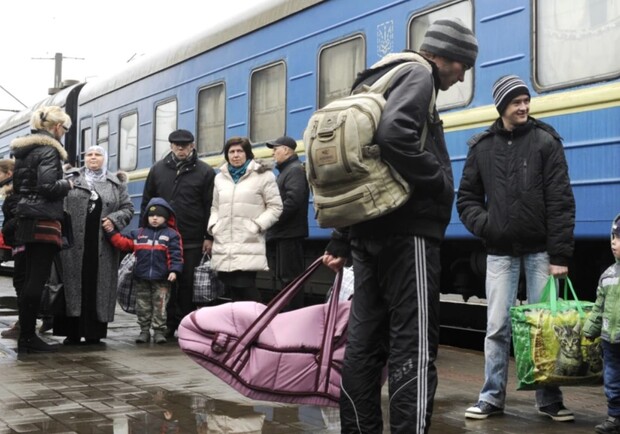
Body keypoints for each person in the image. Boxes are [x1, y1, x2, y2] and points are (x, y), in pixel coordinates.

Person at [322, 18, 478, 433]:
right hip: (408, 233)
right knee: (415, 342)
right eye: (463, 64)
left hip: (366, 229)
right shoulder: (419, 74)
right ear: (442, 55)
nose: (462, 74)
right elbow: (394, 135)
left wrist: (341, 236)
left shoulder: (375, 78)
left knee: (364, 345)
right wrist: (439, 182)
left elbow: (360, 166)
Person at [457, 75, 576, 421]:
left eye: (526, 100)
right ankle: (491, 398)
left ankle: (549, 399)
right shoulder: (482, 147)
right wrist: (488, 225)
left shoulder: (545, 142)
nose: (523, 106)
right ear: (502, 107)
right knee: (497, 327)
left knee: (544, 328)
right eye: (515, 102)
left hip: (541, 252)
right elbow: (466, 200)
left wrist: (560, 256)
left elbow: (560, 200)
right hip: (499, 252)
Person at [53, 145, 134, 345]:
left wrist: (115, 219)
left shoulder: (115, 183)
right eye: (89, 155)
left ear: (105, 158)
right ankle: (71, 333)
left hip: (102, 246)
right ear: (84, 159)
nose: (93, 158)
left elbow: (128, 208)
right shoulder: (71, 178)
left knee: (96, 286)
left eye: (98, 155)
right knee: (72, 285)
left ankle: (93, 333)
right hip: (72, 244)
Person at [10, 106, 74, 353]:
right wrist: (68, 183)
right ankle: (27, 337)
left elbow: (21, 186)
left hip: (25, 217)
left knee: (27, 279)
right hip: (44, 219)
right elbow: (48, 187)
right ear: (57, 127)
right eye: (65, 129)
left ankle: (26, 335)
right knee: (37, 279)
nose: (64, 134)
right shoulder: (49, 150)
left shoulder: (24, 151)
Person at [140, 129, 215, 338]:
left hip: (192, 237)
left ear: (192, 146)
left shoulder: (205, 172)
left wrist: (209, 236)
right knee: (165, 283)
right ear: (171, 146)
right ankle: (168, 323)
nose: (180, 148)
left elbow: (210, 206)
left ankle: (188, 324)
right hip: (162, 238)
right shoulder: (157, 170)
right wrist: (142, 234)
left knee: (188, 284)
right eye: (176, 145)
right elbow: (147, 203)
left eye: (185, 145)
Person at [208, 136, 282, 302]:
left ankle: (258, 323)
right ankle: (241, 326)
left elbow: (276, 207)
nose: (235, 155)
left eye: (240, 151)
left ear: (248, 153)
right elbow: (215, 207)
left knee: (245, 287)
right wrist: (214, 226)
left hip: (248, 240)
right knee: (232, 289)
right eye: (231, 151)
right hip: (224, 241)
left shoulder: (264, 176)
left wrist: (257, 226)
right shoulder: (219, 178)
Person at [105, 198, 183, 344]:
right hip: (142, 278)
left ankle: (159, 331)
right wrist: (111, 232)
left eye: (159, 216)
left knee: (160, 306)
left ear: (166, 217)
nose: (154, 218)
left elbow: (176, 254)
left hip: (162, 280)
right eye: (151, 215)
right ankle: (144, 331)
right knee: (143, 306)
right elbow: (122, 243)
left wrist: (174, 271)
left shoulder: (172, 235)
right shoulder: (138, 234)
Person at [583, 214, 620, 434]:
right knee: (612, 379)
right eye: (613, 237)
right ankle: (614, 416)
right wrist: (590, 329)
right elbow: (598, 307)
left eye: (619, 237)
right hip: (609, 339)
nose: (613, 242)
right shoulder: (607, 276)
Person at [265, 136, 309, 310]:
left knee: (291, 280)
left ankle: (293, 315)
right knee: (286, 279)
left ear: (286, 150)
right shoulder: (287, 170)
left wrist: (273, 218)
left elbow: (293, 201)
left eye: (276, 149)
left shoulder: (294, 170)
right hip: (284, 233)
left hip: (289, 233)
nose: (273, 153)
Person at [0, 159, 22, 339]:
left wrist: (6, 230)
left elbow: (19, 217)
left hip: (20, 243)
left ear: (8, 174)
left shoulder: (14, 193)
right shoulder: (11, 191)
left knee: (23, 281)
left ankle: (25, 324)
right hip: (15, 242)